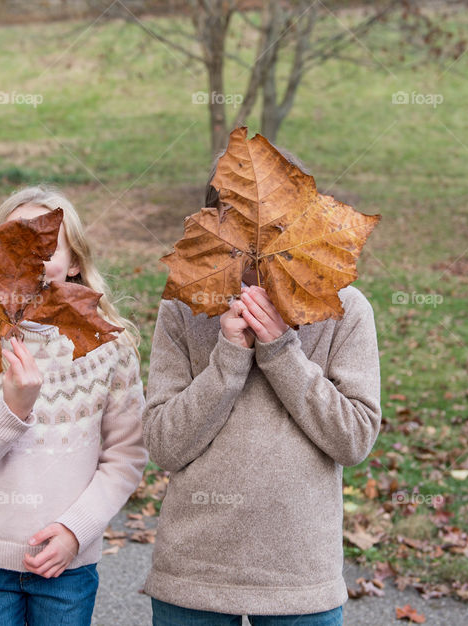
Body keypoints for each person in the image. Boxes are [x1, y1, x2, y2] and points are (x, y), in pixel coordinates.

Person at [142, 148, 382, 625]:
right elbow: (164, 445)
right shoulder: (186, 306)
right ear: (212, 223)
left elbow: (353, 439)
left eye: (278, 217)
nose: (258, 235)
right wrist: (228, 357)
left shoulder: (346, 309)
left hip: (301, 582)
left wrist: (280, 351)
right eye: (237, 217)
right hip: (194, 576)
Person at [0, 185, 148, 626]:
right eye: (13, 247)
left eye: (44, 249)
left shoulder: (107, 345)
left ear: (75, 263)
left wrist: (75, 532)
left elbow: (125, 456)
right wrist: (11, 411)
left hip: (66, 564)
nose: (27, 262)